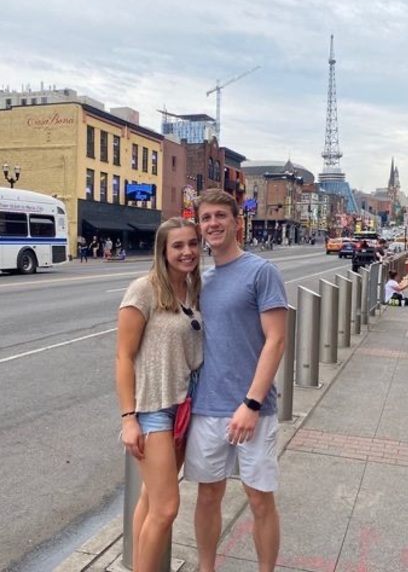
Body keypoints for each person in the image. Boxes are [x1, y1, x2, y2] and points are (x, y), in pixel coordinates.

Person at [185, 189, 287, 572]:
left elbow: (276, 341)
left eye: (220, 216)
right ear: (200, 225)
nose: (213, 223)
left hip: (253, 410)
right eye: (206, 218)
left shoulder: (261, 272)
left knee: (259, 499)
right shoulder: (201, 280)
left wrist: (252, 403)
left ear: (236, 222)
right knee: (208, 495)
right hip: (208, 407)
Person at [116, 217, 203, 572]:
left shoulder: (192, 290)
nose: (187, 252)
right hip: (154, 410)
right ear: (163, 251)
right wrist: (128, 419)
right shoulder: (144, 290)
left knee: (151, 499)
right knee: (166, 508)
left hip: (184, 407)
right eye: (177, 245)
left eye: (192, 243)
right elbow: (123, 357)